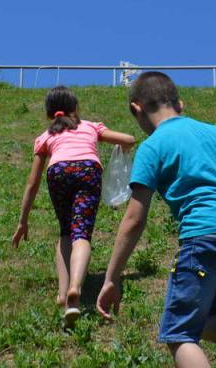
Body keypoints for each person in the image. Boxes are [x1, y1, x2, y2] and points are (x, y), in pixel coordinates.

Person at [96, 72, 216, 368]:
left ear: (136, 109)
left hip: (204, 236)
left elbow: (134, 219)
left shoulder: (153, 146)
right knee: (205, 317)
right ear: (180, 104)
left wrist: (112, 277)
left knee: (179, 333)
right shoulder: (212, 132)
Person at [12, 85, 135, 329]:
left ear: (49, 115)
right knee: (81, 233)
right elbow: (129, 139)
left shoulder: (45, 137)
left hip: (57, 173)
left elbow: (32, 182)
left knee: (65, 232)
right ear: (75, 109)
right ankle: (76, 288)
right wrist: (119, 146)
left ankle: (62, 293)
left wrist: (22, 221)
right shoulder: (90, 126)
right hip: (88, 171)